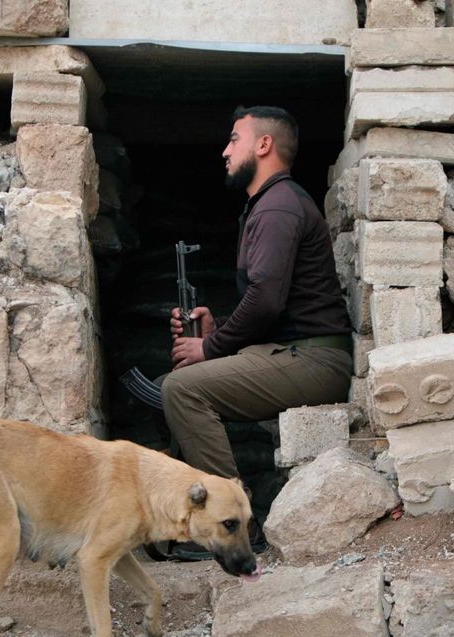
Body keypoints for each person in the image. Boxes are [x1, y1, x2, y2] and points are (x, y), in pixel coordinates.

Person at [161, 105, 353, 560]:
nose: (225, 151)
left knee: (182, 390)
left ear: (263, 145)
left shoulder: (278, 205)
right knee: (165, 389)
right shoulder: (270, 204)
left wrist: (211, 346)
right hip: (289, 351)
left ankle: (235, 533)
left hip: (314, 360)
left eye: (233, 139)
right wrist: (220, 328)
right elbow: (275, 304)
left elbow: (266, 299)